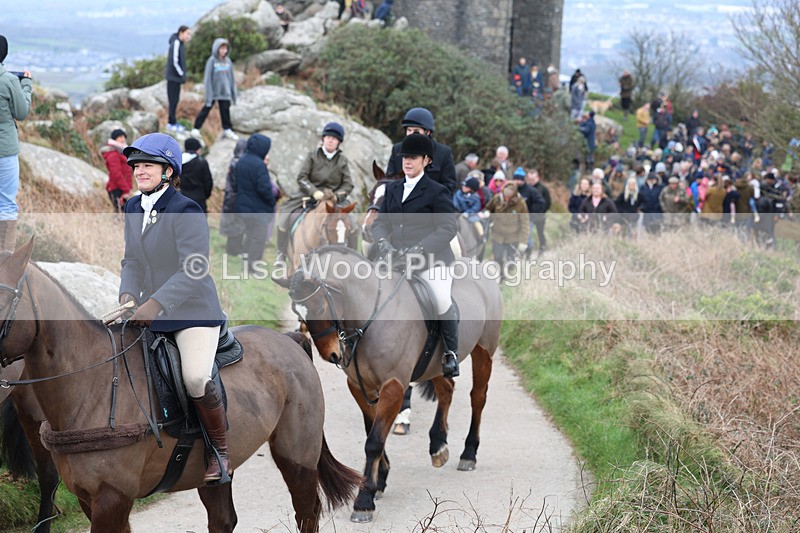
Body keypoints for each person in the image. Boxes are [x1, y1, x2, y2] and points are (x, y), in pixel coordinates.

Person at [119, 133, 229, 484]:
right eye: (136, 166)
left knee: (196, 376)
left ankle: (219, 452)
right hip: (150, 311)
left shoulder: (186, 209)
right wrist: (127, 295)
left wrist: (154, 303)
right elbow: (132, 260)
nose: (139, 171)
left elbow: (194, 269)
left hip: (192, 312)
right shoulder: (133, 207)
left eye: (147, 165)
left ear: (168, 171)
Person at [372, 133, 460, 378]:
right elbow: (380, 224)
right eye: (404, 158)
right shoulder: (392, 189)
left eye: (412, 158)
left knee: (441, 298)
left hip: (432, 260)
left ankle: (450, 353)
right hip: (397, 259)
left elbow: (448, 228)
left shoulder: (437, 191)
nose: (407, 162)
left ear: (426, 160)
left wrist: (420, 248)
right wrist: (383, 243)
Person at [276, 122, 353, 263]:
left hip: (334, 198)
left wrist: (337, 196)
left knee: (353, 223)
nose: (330, 140)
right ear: (323, 138)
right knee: (284, 218)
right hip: (309, 194)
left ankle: (352, 256)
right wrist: (314, 192)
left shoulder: (342, 160)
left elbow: (348, 184)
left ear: (339, 142)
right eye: (328, 137)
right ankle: (281, 253)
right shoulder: (313, 155)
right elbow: (302, 177)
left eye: (334, 138)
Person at [0, 35, 32, 251]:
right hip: (4, 150)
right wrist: (27, 85)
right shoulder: (9, 80)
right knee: (6, 204)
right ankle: (4, 262)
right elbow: (21, 112)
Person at [386, 107, 457, 193]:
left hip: (432, 203)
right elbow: (389, 180)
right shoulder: (397, 149)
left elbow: (449, 186)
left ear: (427, 132)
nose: (411, 134)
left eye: (416, 131)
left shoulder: (444, 153)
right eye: (409, 130)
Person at [236, 134, 275, 268]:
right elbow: (265, 189)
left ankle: (246, 262)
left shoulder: (242, 160)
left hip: (244, 207)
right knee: (258, 238)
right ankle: (252, 267)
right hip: (259, 209)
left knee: (249, 236)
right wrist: (271, 201)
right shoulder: (259, 165)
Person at [192, 38, 238, 141]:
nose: (224, 51)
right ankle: (196, 128)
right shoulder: (211, 61)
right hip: (213, 92)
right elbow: (207, 79)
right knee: (206, 109)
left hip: (225, 92)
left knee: (225, 111)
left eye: (225, 48)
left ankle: (227, 130)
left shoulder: (228, 62)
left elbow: (232, 79)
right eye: (221, 48)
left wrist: (234, 95)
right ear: (217, 48)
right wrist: (208, 94)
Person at [484, 180, 530, 264]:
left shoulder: (520, 203)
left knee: (511, 260)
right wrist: (487, 213)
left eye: (510, 193)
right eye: (506, 192)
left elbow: (525, 223)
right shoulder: (497, 199)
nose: (507, 196)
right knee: (498, 258)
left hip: (513, 236)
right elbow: (489, 208)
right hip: (498, 235)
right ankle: (501, 275)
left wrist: (524, 242)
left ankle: (510, 274)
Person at [220, 138, 248, 256]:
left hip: (230, 197)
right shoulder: (239, 163)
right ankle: (234, 250)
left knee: (235, 224)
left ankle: (234, 248)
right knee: (237, 225)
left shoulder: (234, 161)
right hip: (236, 197)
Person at [165, 26, 191, 132]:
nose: (189, 36)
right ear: (181, 32)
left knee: (175, 100)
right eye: (187, 33)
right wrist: (182, 74)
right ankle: (171, 123)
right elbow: (174, 61)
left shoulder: (180, 44)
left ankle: (173, 121)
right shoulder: (176, 43)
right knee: (173, 100)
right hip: (173, 78)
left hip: (176, 78)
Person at [101, 129, 132, 212]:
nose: (123, 139)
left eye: (124, 137)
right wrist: (126, 189)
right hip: (117, 188)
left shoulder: (121, 151)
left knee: (122, 212)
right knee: (120, 212)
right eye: (120, 137)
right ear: (115, 139)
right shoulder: (113, 154)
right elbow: (116, 174)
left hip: (122, 187)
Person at [180, 137, 214, 213]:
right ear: (196, 149)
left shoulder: (178, 161)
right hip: (198, 199)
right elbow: (208, 182)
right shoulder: (202, 162)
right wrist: (205, 195)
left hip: (180, 197)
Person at [525, 169, 550, 255]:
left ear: (538, 178)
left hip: (540, 215)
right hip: (528, 215)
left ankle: (542, 248)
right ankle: (528, 250)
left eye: (533, 179)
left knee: (540, 233)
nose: (531, 181)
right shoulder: (526, 188)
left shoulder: (543, 189)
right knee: (527, 233)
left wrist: (541, 211)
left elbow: (548, 202)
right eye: (529, 179)